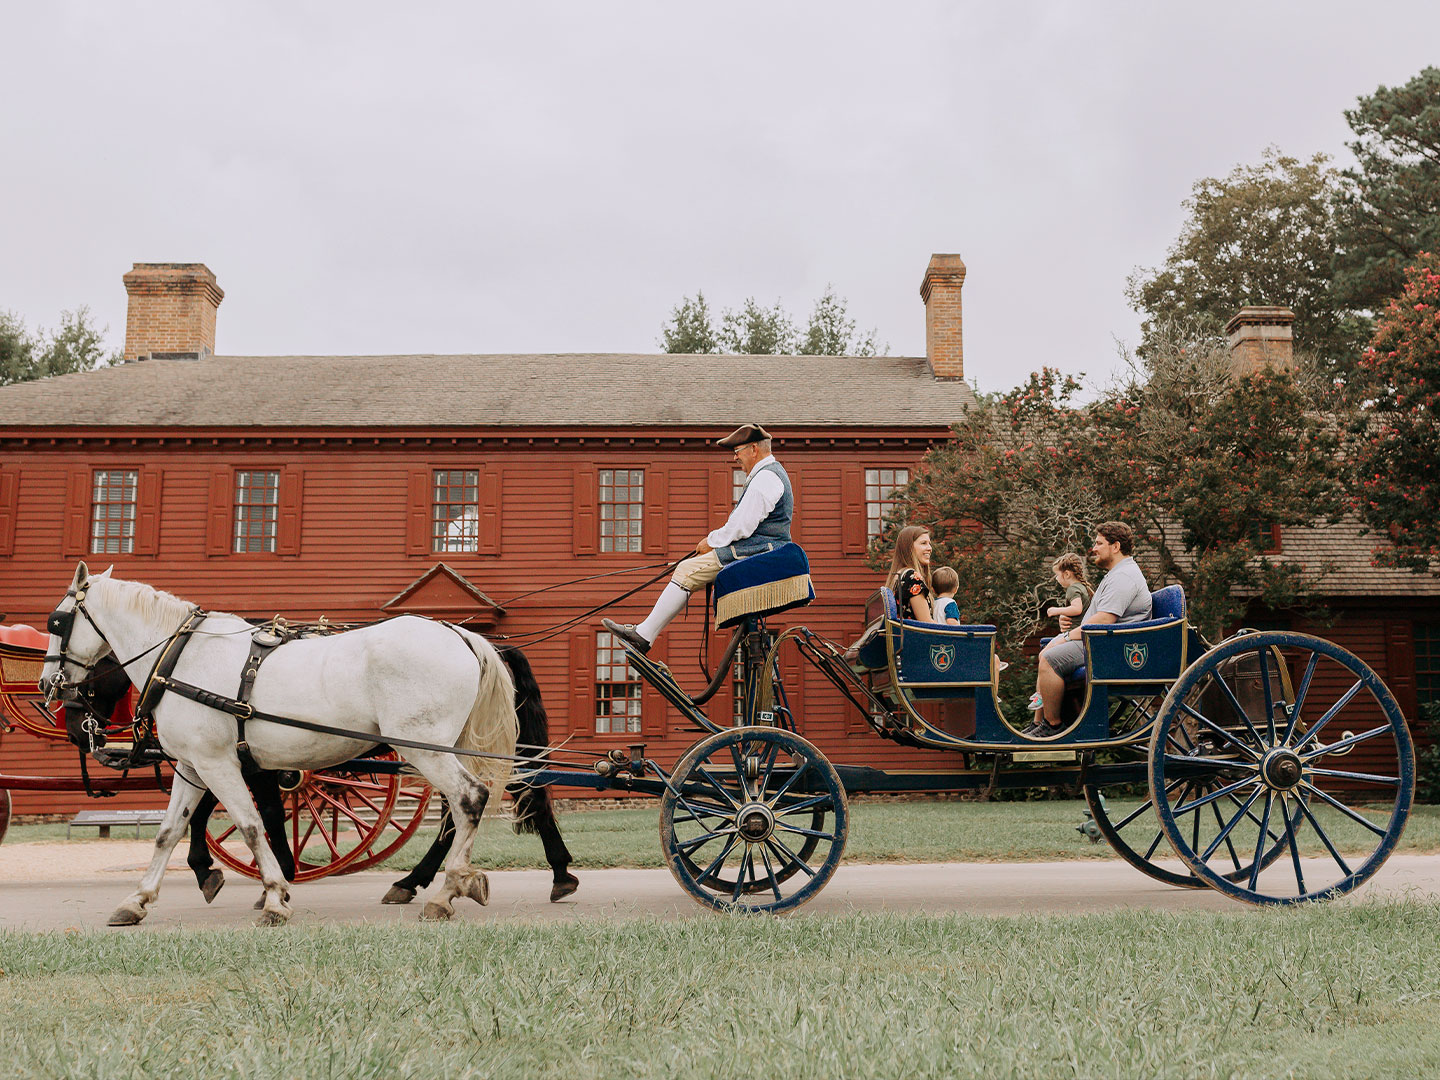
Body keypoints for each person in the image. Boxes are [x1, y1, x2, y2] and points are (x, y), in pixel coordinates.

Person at [602, 423, 791, 655]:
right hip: (762, 549)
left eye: (737, 452)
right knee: (688, 568)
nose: (735, 458)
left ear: (754, 449)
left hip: (761, 552)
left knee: (685, 570)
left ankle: (644, 635)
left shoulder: (765, 478)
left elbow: (741, 526)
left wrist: (711, 542)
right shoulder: (769, 474)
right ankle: (644, 634)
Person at [1022, 521, 1151, 740]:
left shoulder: (1124, 577)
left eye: (1099, 543)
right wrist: (1069, 623)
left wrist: (1065, 637)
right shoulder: (1117, 574)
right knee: (1046, 652)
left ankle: (1053, 726)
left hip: (1110, 648)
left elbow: (1104, 620)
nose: (1094, 548)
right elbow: (1095, 616)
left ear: (1116, 547)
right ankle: (1040, 723)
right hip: (1100, 641)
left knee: (1049, 660)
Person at [1026, 554, 1092, 709]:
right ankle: (1040, 694)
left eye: (1057, 575)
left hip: (1074, 636)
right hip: (1077, 635)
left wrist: (1056, 610)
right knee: (1044, 653)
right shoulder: (1082, 587)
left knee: (1043, 655)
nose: (1056, 579)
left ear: (1067, 574)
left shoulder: (1073, 589)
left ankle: (1041, 695)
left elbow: (1077, 608)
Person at [886, 525, 934, 622]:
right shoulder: (912, 578)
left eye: (929, 544)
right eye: (923, 543)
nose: (929, 548)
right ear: (909, 548)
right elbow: (927, 624)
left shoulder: (899, 576)